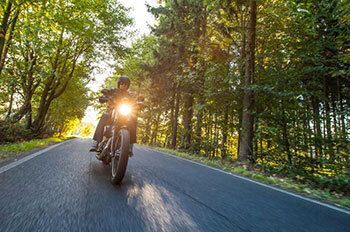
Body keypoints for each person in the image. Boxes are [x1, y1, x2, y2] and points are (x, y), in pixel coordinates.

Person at [90, 76, 137, 155]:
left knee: (133, 119)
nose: (124, 85)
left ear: (128, 85)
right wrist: (104, 96)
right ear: (119, 84)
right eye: (122, 83)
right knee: (105, 116)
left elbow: (135, 102)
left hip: (124, 114)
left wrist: (139, 103)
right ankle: (96, 142)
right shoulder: (113, 91)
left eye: (126, 84)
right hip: (112, 112)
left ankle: (129, 146)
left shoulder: (130, 95)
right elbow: (104, 95)